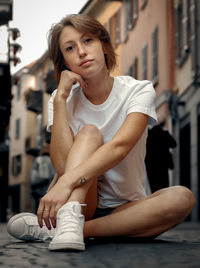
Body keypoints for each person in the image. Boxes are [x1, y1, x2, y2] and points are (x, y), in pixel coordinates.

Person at [7, 14, 195, 251]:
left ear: (104, 45)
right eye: (70, 48)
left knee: (182, 198)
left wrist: (64, 183)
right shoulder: (60, 100)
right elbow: (62, 163)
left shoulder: (138, 90)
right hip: (83, 200)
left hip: (125, 207)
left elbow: (120, 147)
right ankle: (72, 218)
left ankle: (62, 228)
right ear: (65, 62)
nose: (82, 52)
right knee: (89, 134)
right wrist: (61, 98)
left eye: (88, 41)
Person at [145, 123, 177, 193]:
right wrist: (166, 131)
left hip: (151, 167)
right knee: (164, 189)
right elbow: (174, 144)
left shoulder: (148, 135)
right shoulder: (163, 133)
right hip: (163, 166)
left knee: (154, 190)